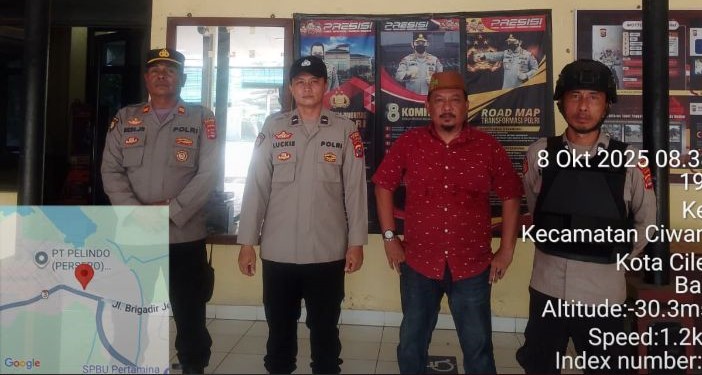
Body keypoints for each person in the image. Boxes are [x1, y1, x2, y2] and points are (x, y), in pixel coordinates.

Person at [373, 71, 523, 374]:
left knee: (479, 348)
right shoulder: (410, 143)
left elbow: (511, 194)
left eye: (455, 100)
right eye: (439, 100)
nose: (447, 107)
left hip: (472, 265)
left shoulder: (487, 147)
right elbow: (383, 185)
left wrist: (507, 250)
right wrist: (390, 239)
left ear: (467, 106)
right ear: (428, 106)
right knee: (411, 343)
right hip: (418, 263)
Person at [516, 59, 657, 374]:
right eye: (575, 96)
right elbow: (537, 209)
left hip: (602, 294)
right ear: (561, 103)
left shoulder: (630, 160)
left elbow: (646, 222)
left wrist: (614, 255)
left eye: (593, 97)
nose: (583, 106)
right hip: (548, 288)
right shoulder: (539, 154)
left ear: (606, 105)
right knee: (539, 367)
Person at [236, 55, 368, 375]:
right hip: (278, 251)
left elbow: (356, 191)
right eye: (300, 82)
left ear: (325, 86)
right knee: (279, 330)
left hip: (327, 251)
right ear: (291, 88)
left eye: (314, 82)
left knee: (325, 331)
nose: (307, 88)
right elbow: (256, 186)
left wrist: (356, 243)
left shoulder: (345, 130)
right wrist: (247, 242)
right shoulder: (273, 127)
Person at [101, 48, 217, 374]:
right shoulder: (126, 118)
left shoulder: (201, 118)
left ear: (183, 78)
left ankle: (193, 366)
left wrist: (170, 211)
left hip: (184, 235)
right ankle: (128, 365)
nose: (162, 75)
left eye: (170, 70)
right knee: (129, 310)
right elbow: (110, 170)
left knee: (190, 312)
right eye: (155, 70)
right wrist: (136, 212)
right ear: (146, 78)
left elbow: (209, 173)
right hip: (135, 235)